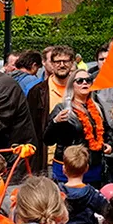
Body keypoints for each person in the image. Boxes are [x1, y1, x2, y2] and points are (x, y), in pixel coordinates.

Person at [25, 44, 77, 172]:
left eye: (65, 61)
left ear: (72, 63)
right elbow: (30, 126)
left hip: (76, 158)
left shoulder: (79, 88)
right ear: (52, 64)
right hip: (48, 158)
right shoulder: (38, 91)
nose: (61, 65)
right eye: (57, 61)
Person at [58, 147, 108, 224]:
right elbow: (107, 210)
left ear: (64, 169)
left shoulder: (57, 193)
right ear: (86, 168)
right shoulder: (93, 193)